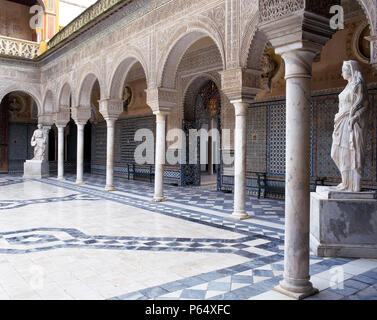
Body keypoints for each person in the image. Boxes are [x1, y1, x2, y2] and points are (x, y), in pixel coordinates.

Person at [331, 60, 369, 192]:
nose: (342, 72)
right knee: (337, 153)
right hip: (341, 121)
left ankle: (354, 185)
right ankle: (346, 182)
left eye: (344, 69)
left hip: (352, 122)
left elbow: (365, 105)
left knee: (353, 152)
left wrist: (355, 117)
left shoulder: (358, 84)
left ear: (351, 70)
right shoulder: (347, 86)